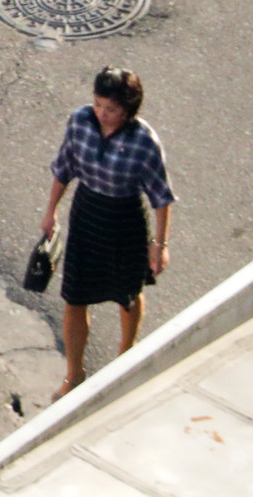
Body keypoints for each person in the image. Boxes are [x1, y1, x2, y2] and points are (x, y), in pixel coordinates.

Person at [40, 67, 175, 398]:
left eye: (111, 108)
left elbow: (160, 196)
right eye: (98, 104)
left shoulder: (144, 141)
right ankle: (74, 375)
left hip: (125, 221)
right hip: (87, 215)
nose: (102, 113)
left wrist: (160, 244)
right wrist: (51, 211)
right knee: (74, 297)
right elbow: (64, 168)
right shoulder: (80, 122)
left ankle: (126, 355)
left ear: (128, 110)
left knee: (127, 295)